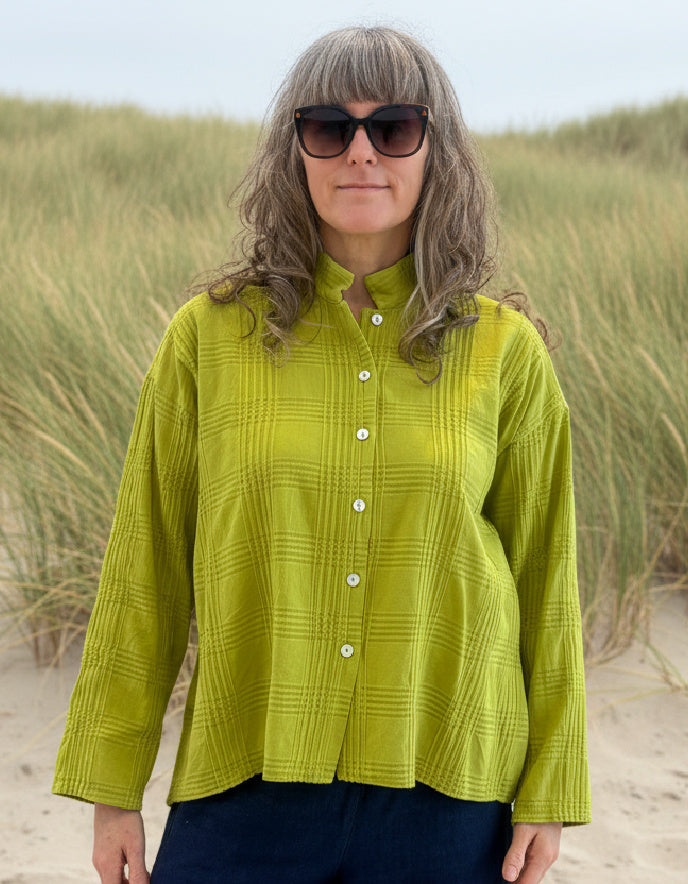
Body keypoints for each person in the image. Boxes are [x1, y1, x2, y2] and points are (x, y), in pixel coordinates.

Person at [53, 24, 591, 884]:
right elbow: (143, 567)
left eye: (395, 127)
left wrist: (550, 790)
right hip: (247, 778)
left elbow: (544, 580)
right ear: (294, 149)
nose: (362, 153)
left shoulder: (506, 352)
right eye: (330, 127)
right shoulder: (209, 338)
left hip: (447, 783)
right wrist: (114, 791)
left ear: (435, 150)